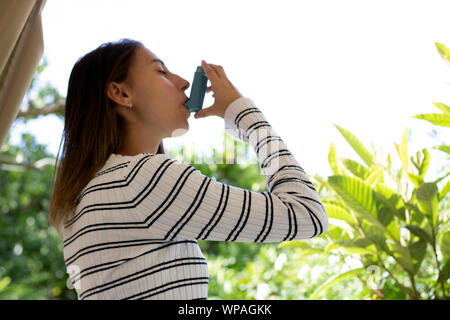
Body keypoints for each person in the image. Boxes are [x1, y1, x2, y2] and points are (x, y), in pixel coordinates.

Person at [49, 38, 329, 300]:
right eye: (161, 72)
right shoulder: (143, 180)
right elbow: (307, 214)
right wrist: (246, 117)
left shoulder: (82, 200)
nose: (183, 82)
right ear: (120, 93)